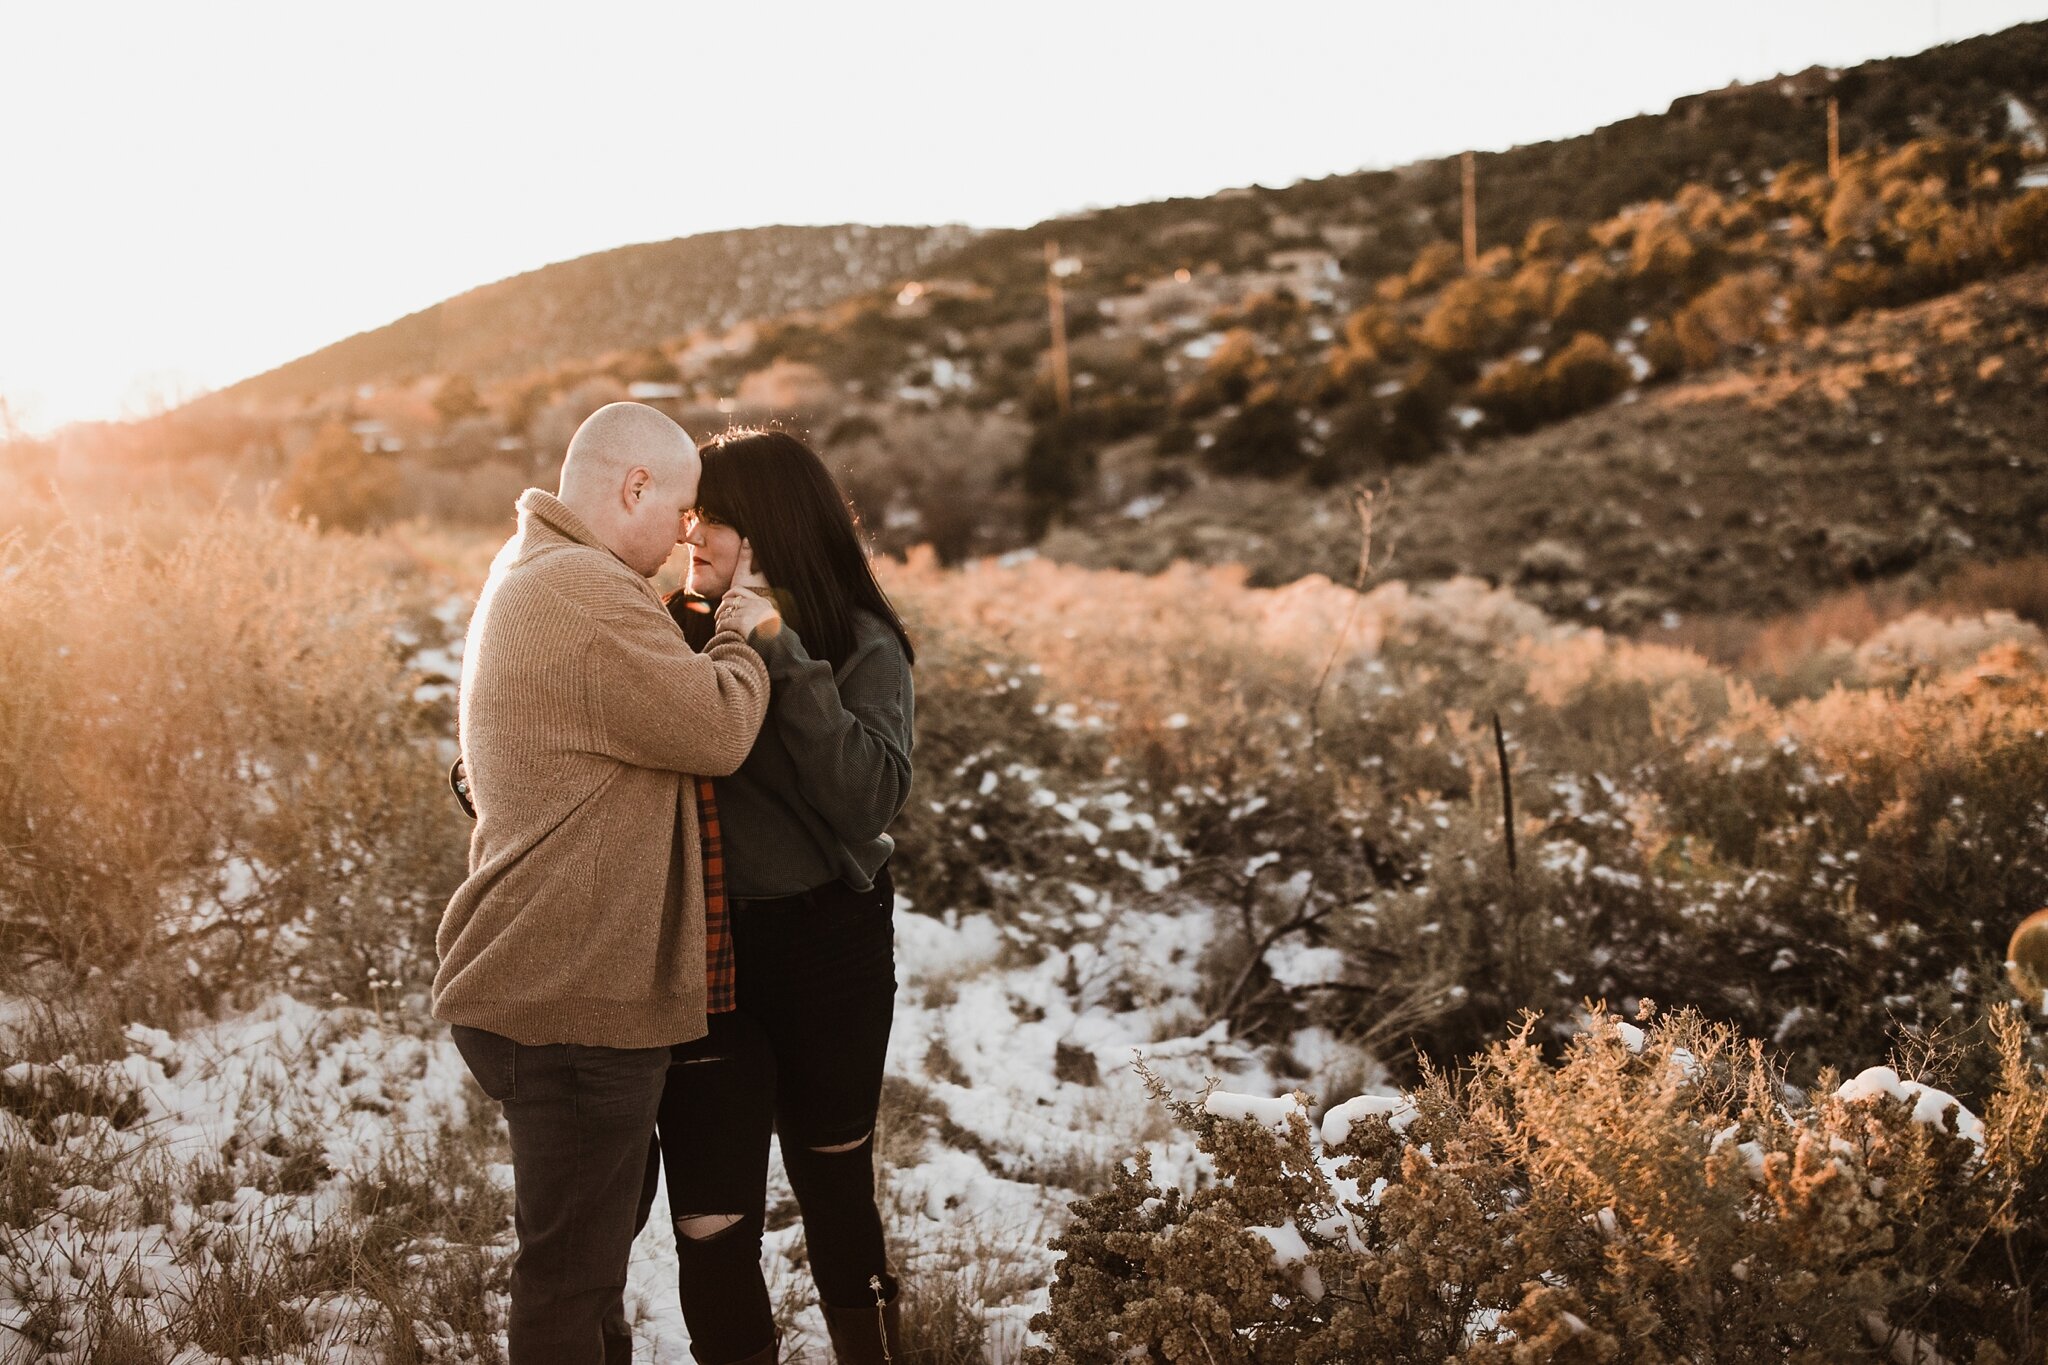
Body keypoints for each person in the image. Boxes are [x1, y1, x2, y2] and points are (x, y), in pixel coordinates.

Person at [433, 402, 780, 1365]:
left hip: (548, 980)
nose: (684, 541)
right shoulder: (585, 587)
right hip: (573, 998)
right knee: (569, 1277)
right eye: (680, 514)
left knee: (587, 1263)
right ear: (634, 487)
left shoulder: (531, 564)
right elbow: (715, 728)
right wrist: (743, 635)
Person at [650, 428, 917, 1365]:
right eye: (691, 513)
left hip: (826, 949)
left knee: (836, 1181)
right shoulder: (671, 628)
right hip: (704, 951)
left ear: (769, 526)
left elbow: (865, 798)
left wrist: (777, 644)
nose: (696, 534)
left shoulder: (860, 641)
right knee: (712, 1217)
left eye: (717, 515)